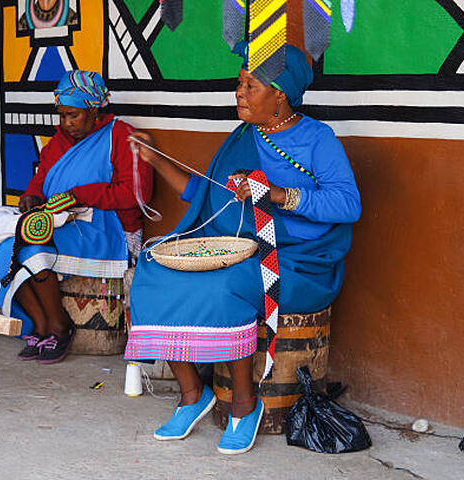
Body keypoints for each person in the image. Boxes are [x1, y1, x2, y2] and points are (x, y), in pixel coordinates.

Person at [125, 44, 361, 455]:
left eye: (250, 85)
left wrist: (278, 195)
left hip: (299, 261)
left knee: (226, 284)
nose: (239, 92)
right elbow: (207, 196)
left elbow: (348, 204)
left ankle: (244, 405)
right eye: (239, 83)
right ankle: (191, 394)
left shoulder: (316, 139)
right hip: (241, 246)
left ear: (280, 94)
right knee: (153, 271)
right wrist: (155, 159)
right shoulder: (242, 138)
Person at [0, 70, 152, 364]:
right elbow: (41, 176)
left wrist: (82, 195)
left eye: (73, 115)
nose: (66, 123)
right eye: (62, 115)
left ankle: (60, 326)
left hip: (109, 229)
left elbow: (135, 195)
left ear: (94, 109)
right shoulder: (60, 139)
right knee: (1, 241)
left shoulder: (120, 136)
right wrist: (32, 195)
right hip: (62, 221)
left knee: (34, 244)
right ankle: (40, 324)